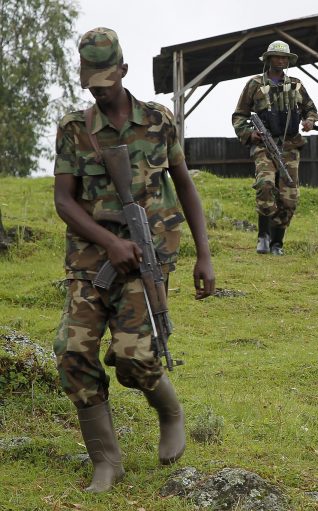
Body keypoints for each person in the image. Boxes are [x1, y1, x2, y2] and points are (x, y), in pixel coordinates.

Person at [52, 27, 215, 493]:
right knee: (72, 352)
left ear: (124, 70)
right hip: (90, 259)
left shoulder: (158, 121)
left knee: (134, 358)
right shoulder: (74, 129)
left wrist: (204, 255)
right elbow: (64, 201)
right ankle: (106, 461)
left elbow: (185, 186)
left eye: (107, 79)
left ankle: (169, 410)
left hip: (149, 256)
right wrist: (109, 242)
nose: (99, 89)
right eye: (91, 81)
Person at [232, 40, 318, 256]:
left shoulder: (297, 84)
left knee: (289, 197)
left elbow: (311, 110)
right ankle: (263, 235)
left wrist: (309, 121)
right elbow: (239, 116)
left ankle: (277, 242)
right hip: (264, 143)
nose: (281, 61)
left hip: (290, 145)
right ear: (268, 59)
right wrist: (248, 134)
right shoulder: (254, 84)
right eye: (277, 57)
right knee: (265, 184)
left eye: (285, 58)